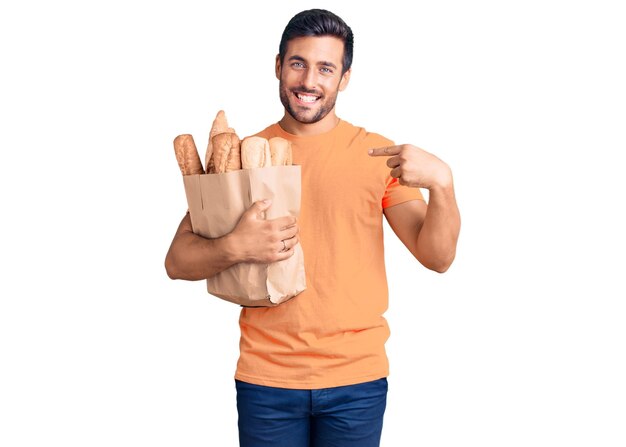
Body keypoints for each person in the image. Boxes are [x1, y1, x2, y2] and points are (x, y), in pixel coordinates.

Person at [165, 8, 460, 447]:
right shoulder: (247, 155)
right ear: (278, 66)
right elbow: (177, 261)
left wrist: (443, 183)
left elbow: (437, 257)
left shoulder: (376, 155)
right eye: (298, 63)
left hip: (355, 379)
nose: (308, 81)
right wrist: (235, 245)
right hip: (266, 378)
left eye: (326, 68)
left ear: (344, 78)